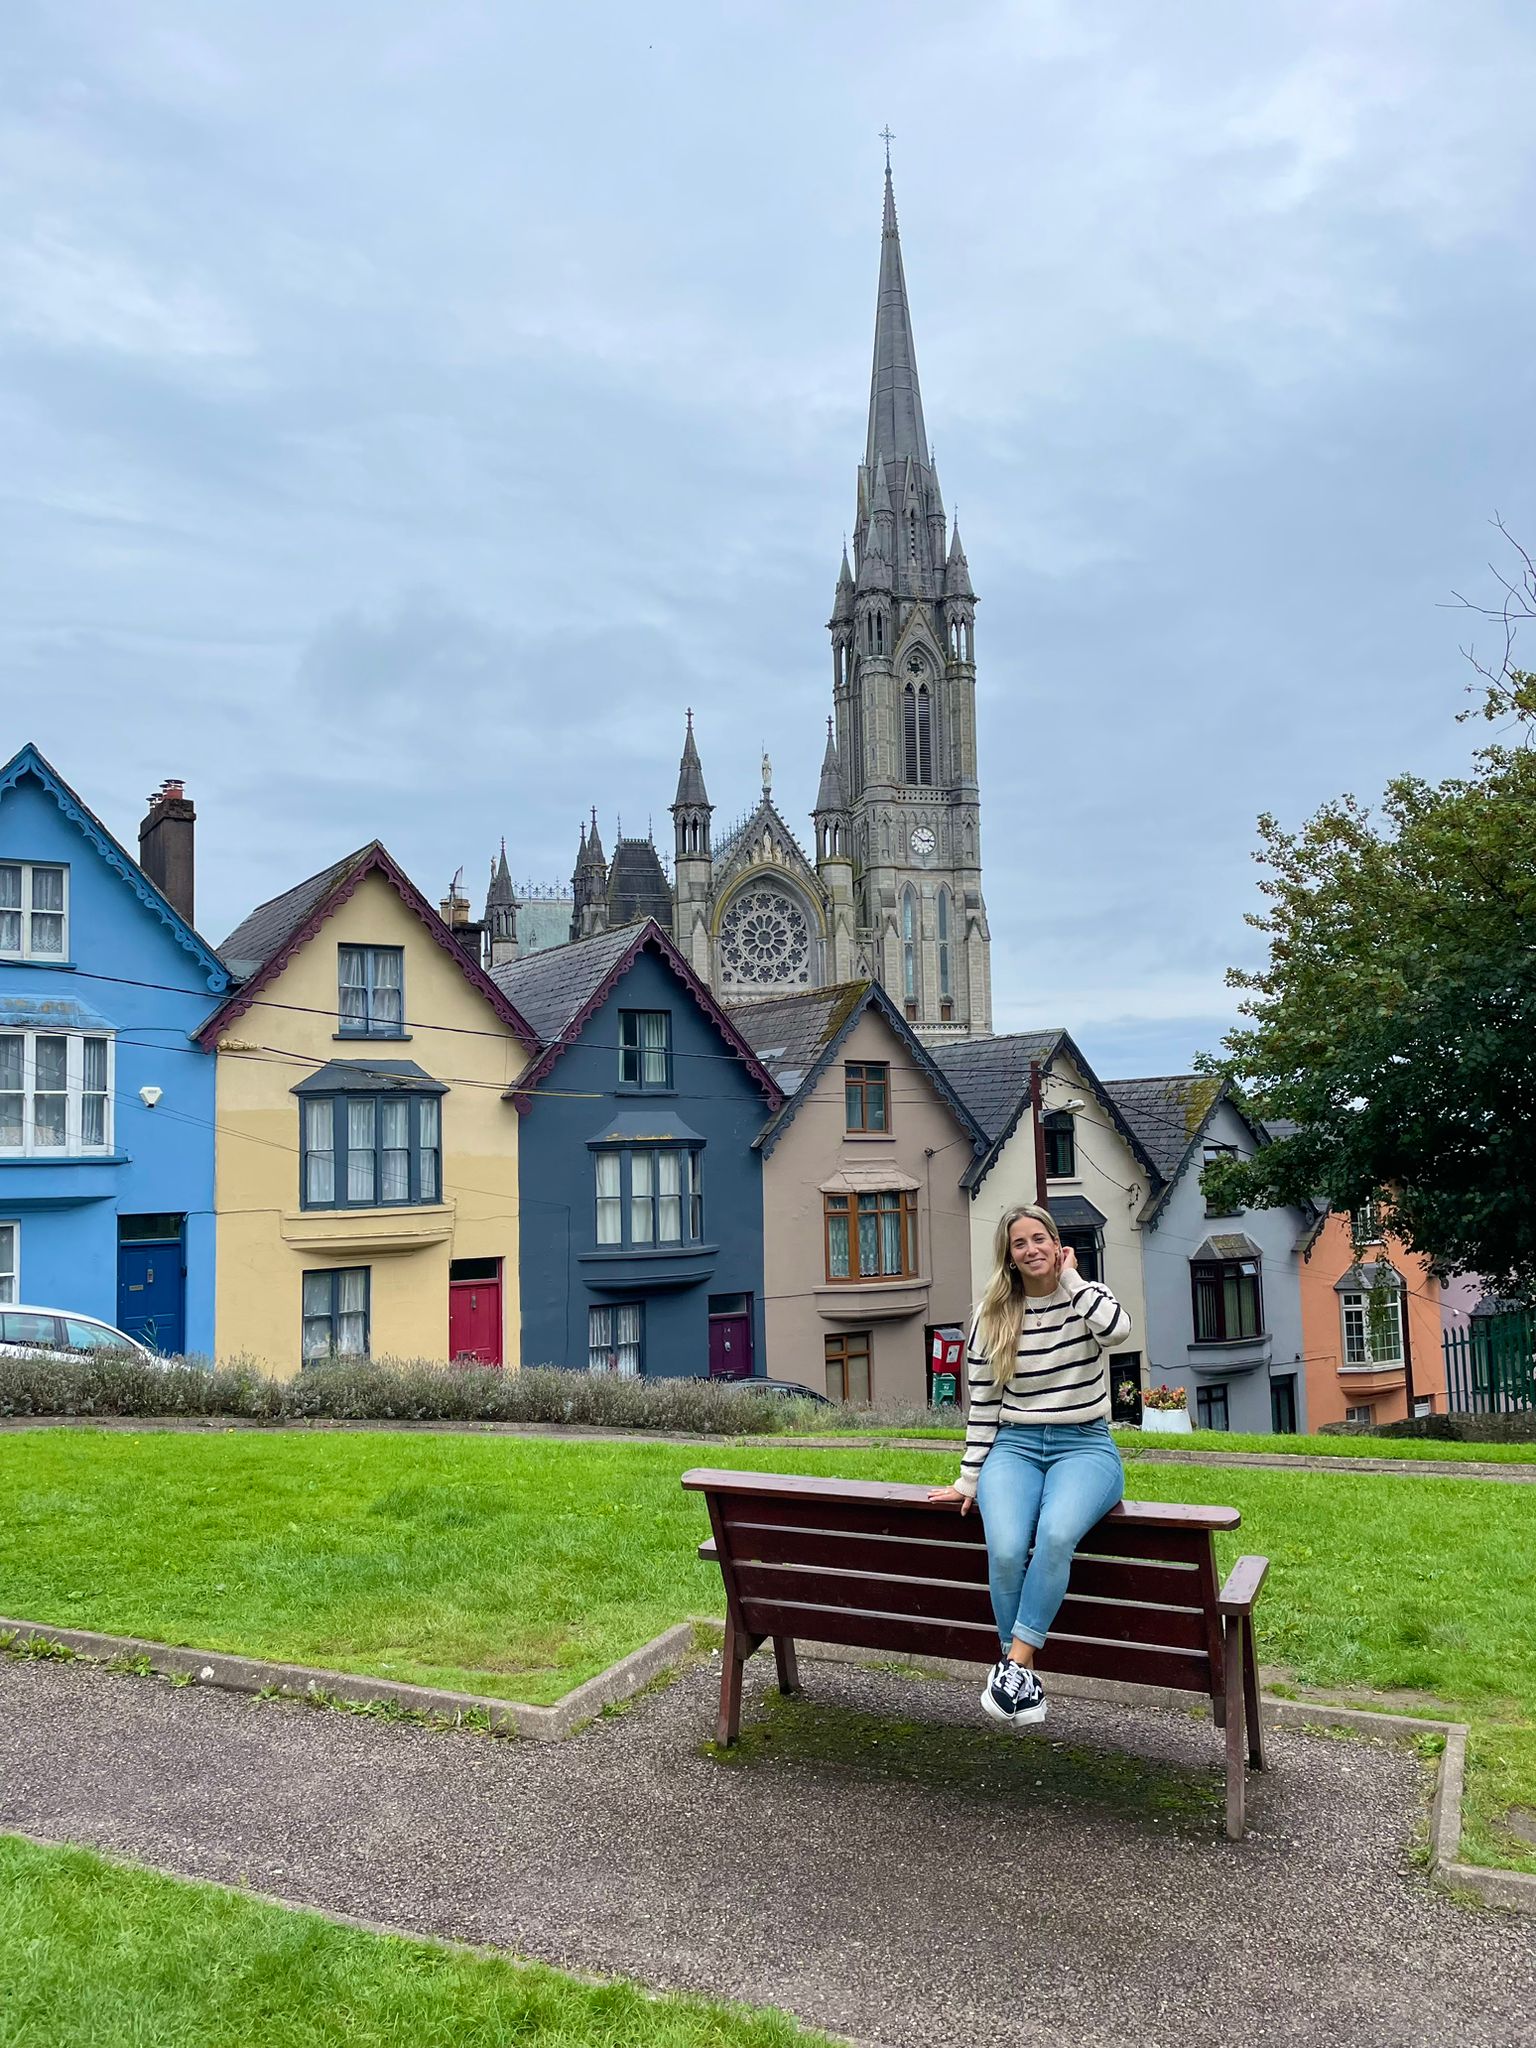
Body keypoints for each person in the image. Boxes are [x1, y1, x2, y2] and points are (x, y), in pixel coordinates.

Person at [927, 1203, 1131, 1727]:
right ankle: (1021, 1676)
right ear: (1009, 1257)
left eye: (1040, 1239)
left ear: (1057, 1244)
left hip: (1085, 1445)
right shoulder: (990, 1315)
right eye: (1020, 1244)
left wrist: (1073, 1280)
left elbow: (1118, 1333)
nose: (1031, 1249)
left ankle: (1014, 1665)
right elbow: (984, 1405)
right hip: (1014, 1447)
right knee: (1008, 1548)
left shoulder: (1088, 1299)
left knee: (1058, 1534)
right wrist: (968, 1478)